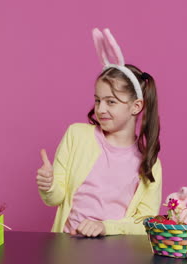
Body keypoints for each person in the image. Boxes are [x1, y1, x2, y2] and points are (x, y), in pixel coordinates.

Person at [36, 28, 162, 237]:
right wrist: (48, 186)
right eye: (97, 100)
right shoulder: (77, 135)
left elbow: (146, 224)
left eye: (111, 102)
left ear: (136, 106)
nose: (100, 109)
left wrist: (106, 227)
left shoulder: (149, 162)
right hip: (67, 247)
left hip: (116, 253)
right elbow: (56, 198)